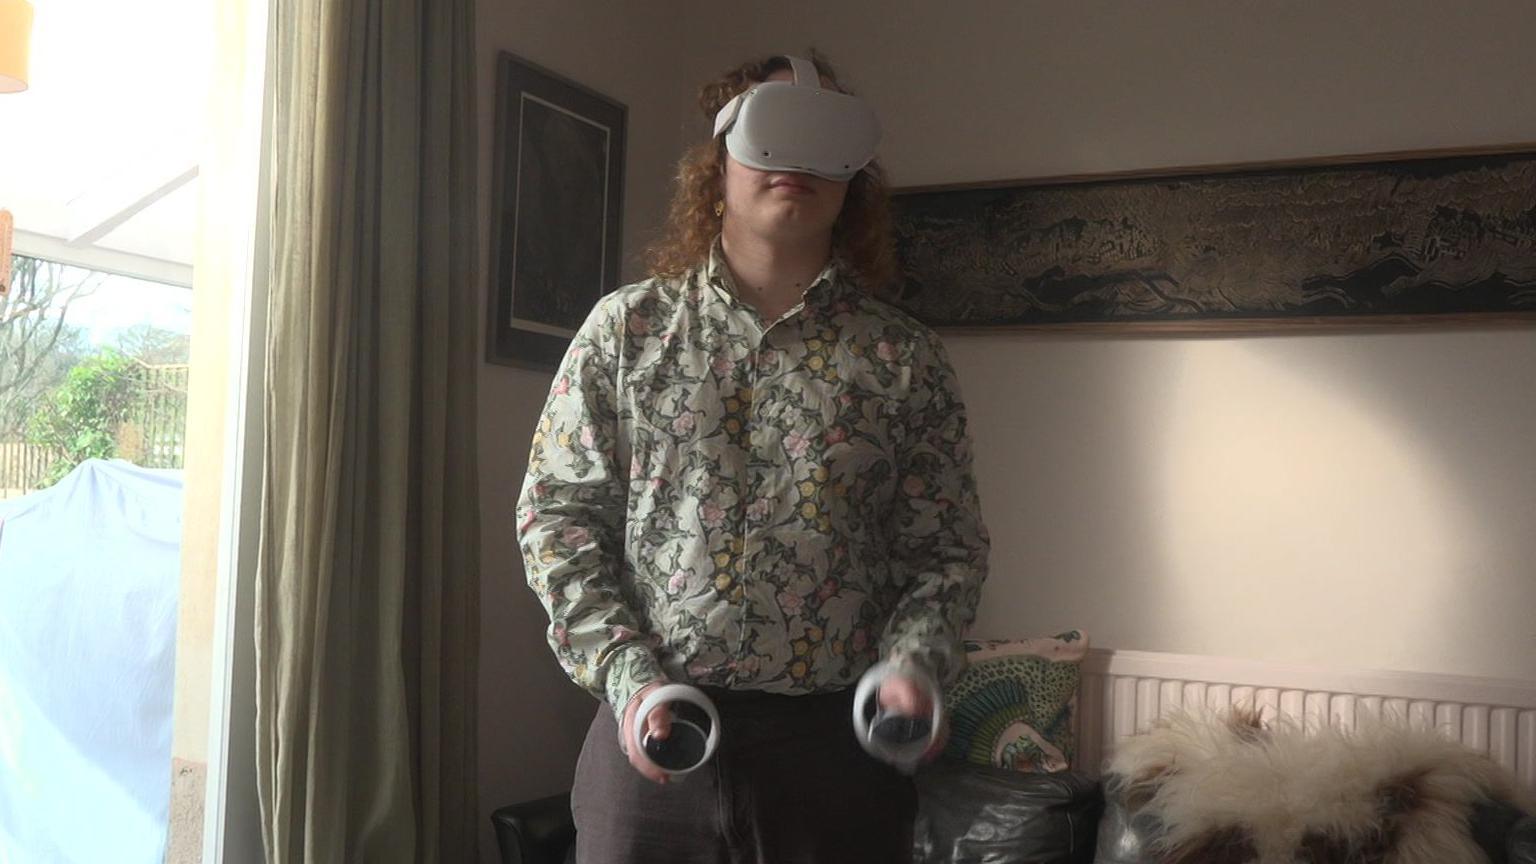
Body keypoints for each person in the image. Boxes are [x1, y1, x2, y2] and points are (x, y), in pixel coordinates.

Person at [516, 51, 990, 864]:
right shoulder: (626, 333)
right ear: (720, 159)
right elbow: (558, 520)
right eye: (774, 131)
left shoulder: (903, 358)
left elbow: (943, 549)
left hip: (835, 761)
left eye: (826, 142)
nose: (797, 164)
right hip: (656, 741)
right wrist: (630, 681)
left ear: (854, 179)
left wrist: (913, 663)